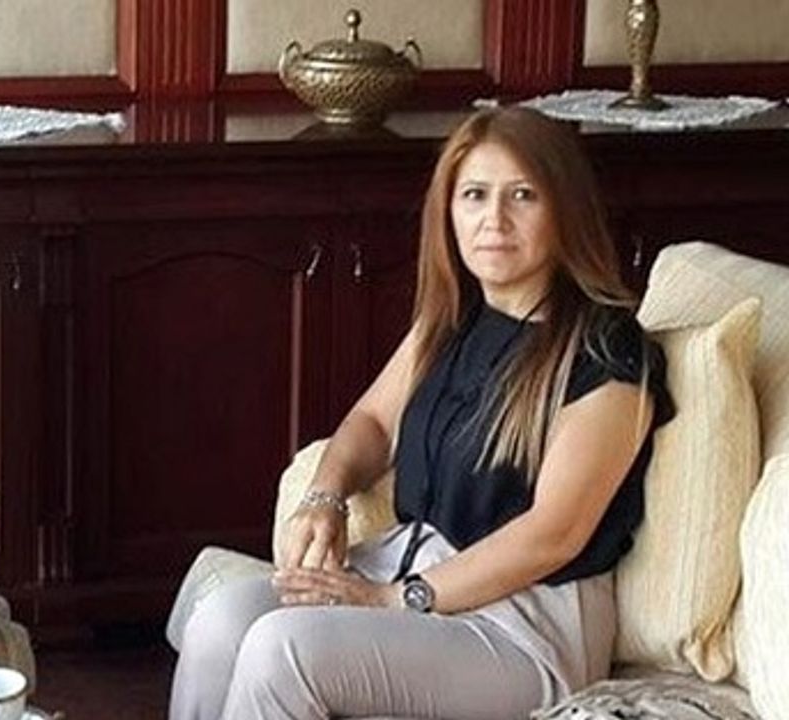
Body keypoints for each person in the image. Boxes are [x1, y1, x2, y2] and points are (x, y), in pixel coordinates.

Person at [170, 106, 675, 720]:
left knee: (285, 650)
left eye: (522, 195)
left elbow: (554, 534)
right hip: (412, 564)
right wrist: (325, 497)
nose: (494, 220)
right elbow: (373, 423)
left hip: (525, 625)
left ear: (564, 209)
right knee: (219, 620)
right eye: (474, 195)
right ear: (449, 211)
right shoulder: (453, 321)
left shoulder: (606, 350)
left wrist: (395, 599)